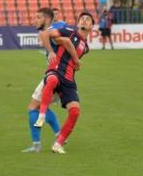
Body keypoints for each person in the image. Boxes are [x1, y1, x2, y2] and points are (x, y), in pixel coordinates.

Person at [34, 12, 94, 154]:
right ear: (78, 23)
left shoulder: (86, 48)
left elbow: (70, 52)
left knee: (75, 111)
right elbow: (45, 34)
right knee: (52, 80)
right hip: (55, 69)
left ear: (92, 26)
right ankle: (41, 115)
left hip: (69, 79)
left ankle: (58, 144)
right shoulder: (68, 31)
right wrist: (51, 51)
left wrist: (67, 48)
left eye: (88, 20)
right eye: (82, 19)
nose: (84, 21)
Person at [22, 8, 73, 154]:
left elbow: (65, 41)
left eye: (38, 17)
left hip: (55, 77)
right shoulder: (52, 32)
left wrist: (52, 52)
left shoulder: (53, 32)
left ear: (46, 19)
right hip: (59, 76)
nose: (34, 20)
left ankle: (37, 145)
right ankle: (57, 134)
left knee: (33, 108)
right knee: (40, 106)